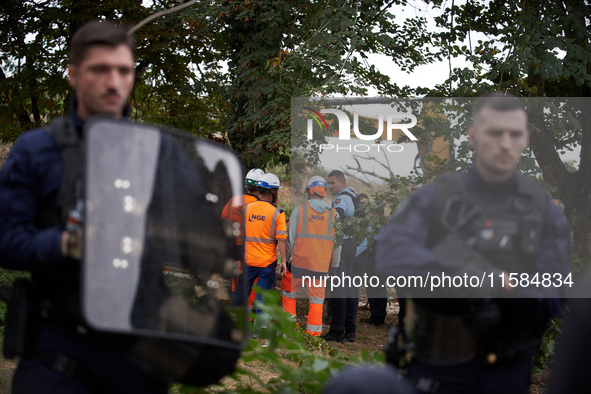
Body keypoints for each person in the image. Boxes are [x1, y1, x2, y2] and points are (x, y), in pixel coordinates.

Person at [0, 21, 170, 393]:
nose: (114, 82)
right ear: (73, 75)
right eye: (99, 70)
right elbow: (6, 241)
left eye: (124, 71)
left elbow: (190, 241)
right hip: (59, 350)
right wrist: (68, 243)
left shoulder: (157, 155)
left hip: (138, 353)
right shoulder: (36, 150)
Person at [376, 93, 571, 393]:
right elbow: (393, 258)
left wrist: (512, 292)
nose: (504, 143)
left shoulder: (543, 212)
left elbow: (555, 290)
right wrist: (477, 280)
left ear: (526, 139)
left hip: (507, 367)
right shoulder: (435, 198)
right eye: (495, 132)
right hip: (437, 362)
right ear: (472, 135)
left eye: (514, 134)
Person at [280, 176, 338, 336]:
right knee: (317, 301)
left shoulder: (300, 209)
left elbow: (290, 240)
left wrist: (285, 260)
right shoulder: (334, 214)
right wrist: (334, 265)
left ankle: (290, 331)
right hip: (320, 266)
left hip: (298, 264)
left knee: (288, 293)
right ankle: (313, 337)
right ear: (324, 192)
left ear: (310, 191)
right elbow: (337, 244)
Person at [232, 172, 287, 324]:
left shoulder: (247, 208)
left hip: (248, 260)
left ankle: (235, 324)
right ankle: (259, 330)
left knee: (241, 292)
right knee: (263, 296)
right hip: (266, 263)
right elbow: (281, 239)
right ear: (274, 191)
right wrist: (283, 261)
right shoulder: (278, 212)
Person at [321, 170, 360, 343]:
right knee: (349, 288)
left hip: (343, 246)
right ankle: (350, 329)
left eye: (332, 183)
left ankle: (337, 331)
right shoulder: (353, 196)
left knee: (338, 289)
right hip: (352, 245)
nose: (329, 187)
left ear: (342, 183)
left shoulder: (341, 199)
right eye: (328, 183)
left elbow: (335, 218)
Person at [222, 168, 264, 307]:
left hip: (234, 247)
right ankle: (246, 318)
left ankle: (236, 312)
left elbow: (222, 221)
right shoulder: (261, 207)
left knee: (236, 282)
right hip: (251, 250)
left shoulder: (234, 201)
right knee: (250, 283)